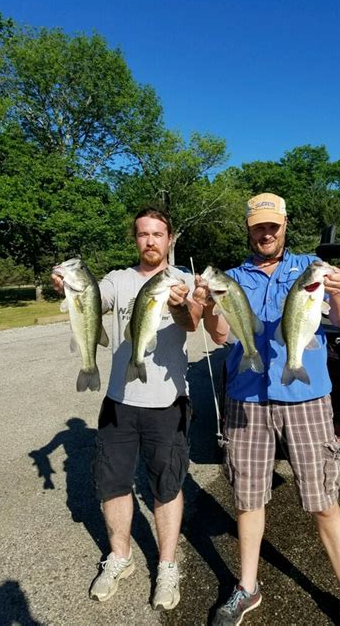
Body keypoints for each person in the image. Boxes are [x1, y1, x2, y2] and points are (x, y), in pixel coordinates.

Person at [193, 193, 340, 626]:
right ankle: (247, 588)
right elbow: (220, 337)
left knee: (323, 499)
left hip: (307, 400)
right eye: (259, 226)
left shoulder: (311, 268)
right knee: (248, 498)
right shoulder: (232, 278)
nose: (267, 232)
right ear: (249, 228)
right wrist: (212, 304)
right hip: (247, 399)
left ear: (285, 225)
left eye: (273, 225)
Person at [52, 208, 216, 610]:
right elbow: (93, 297)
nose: (150, 241)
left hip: (168, 404)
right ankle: (120, 558)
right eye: (143, 234)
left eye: (158, 234)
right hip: (118, 402)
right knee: (113, 484)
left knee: (167, 486)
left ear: (170, 238)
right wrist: (66, 286)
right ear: (135, 239)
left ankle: (167, 565)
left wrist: (180, 305)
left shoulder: (180, 282)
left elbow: (193, 323)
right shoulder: (118, 280)